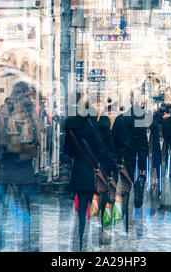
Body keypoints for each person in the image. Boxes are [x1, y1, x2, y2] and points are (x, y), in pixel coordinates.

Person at [0, 80, 43, 252]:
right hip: (25, 170)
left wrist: (2, 156)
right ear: (26, 92)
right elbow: (39, 140)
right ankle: (29, 247)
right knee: (30, 212)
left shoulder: (1, 111)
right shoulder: (31, 110)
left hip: (4, 170)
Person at [64, 93, 110, 251]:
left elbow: (67, 150)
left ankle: (81, 236)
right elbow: (101, 149)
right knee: (98, 205)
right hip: (93, 173)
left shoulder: (71, 128)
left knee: (82, 208)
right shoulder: (94, 127)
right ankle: (98, 237)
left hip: (78, 171)